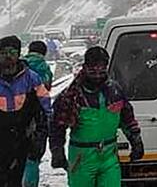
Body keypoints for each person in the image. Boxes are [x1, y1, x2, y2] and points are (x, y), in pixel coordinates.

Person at [51, 46, 143, 187]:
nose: (97, 74)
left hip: (109, 155)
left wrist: (135, 140)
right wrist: (57, 151)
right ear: (85, 67)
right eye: (93, 70)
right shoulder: (72, 95)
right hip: (82, 157)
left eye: (101, 70)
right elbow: (58, 126)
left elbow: (127, 118)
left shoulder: (115, 91)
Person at [0, 35, 51, 187]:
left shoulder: (32, 78)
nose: (8, 56)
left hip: (23, 142)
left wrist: (40, 138)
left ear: (19, 54)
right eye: (3, 52)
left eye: (12, 52)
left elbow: (46, 109)